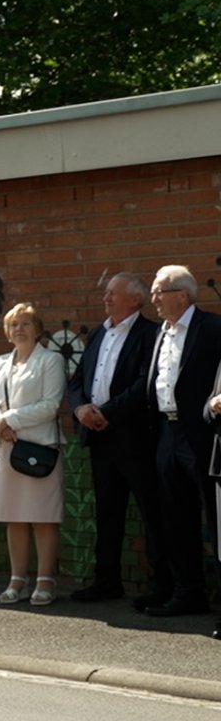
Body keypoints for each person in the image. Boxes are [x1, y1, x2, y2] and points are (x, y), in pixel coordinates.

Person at [69, 272, 160, 602]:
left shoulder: (150, 334)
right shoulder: (97, 334)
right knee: (107, 512)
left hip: (135, 439)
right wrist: (81, 411)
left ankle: (159, 584)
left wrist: (108, 412)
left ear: (135, 300)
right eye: (106, 293)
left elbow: (144, 384)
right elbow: (77, 381)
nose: (106, 299)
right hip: (99, 439)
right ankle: (106, 580)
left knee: (152, 512)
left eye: (113, 294)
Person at [0, 303, 68, 606]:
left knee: (43, 517)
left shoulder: (51, 360)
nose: (20, 329)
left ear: (38, 329)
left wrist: (9, 420)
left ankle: (45, 580)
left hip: (39, 449)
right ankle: (17, 578)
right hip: (5, 448)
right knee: (13, 517)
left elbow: (50, 404)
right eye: (14, 324)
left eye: (26, 323)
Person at [151, 265, 221, 620]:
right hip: (168, 432)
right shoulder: (161, 333)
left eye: (159, 292)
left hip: (204, 436)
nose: (154, 300)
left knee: (217, 518)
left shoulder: (212, 327)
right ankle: (188, 593)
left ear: (182, 295)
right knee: (177, 518)